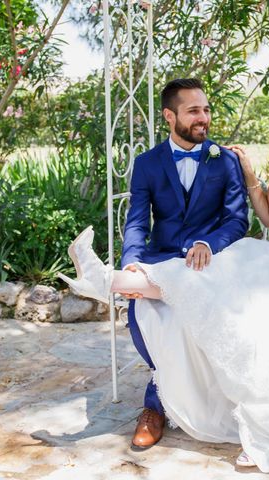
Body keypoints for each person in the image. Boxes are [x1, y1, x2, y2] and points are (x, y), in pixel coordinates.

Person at [58, 96, 269, 473]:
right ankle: (107, 280)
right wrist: (250, 174)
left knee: (243, 292)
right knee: (215, 272)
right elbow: (268, 216)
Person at [105, 78, 249, 448]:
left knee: (194, 316)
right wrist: (132, 263)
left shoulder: (225, 159)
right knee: (142, 313)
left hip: (208, 264)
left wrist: (208, 243)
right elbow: (137, 222)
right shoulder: (147, 164)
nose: (204, 118)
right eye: (194, 111)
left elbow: (236, 219)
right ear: (170, 116)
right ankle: (160, 398)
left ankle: (157, 405)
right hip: (162, 259)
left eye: (206, 109)